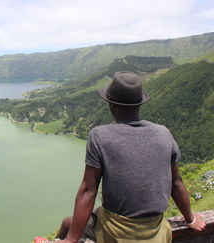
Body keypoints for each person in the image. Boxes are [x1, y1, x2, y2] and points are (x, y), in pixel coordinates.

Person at [55, 71, 206, 243]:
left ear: (111, 105)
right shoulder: (164, 132)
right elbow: (176, 183)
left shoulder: (99, 136)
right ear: (139, 104)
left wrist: (70, 240)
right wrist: (191, 220)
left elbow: (88, 191)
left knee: (68, 223)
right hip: (156, 232)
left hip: (116, 233)